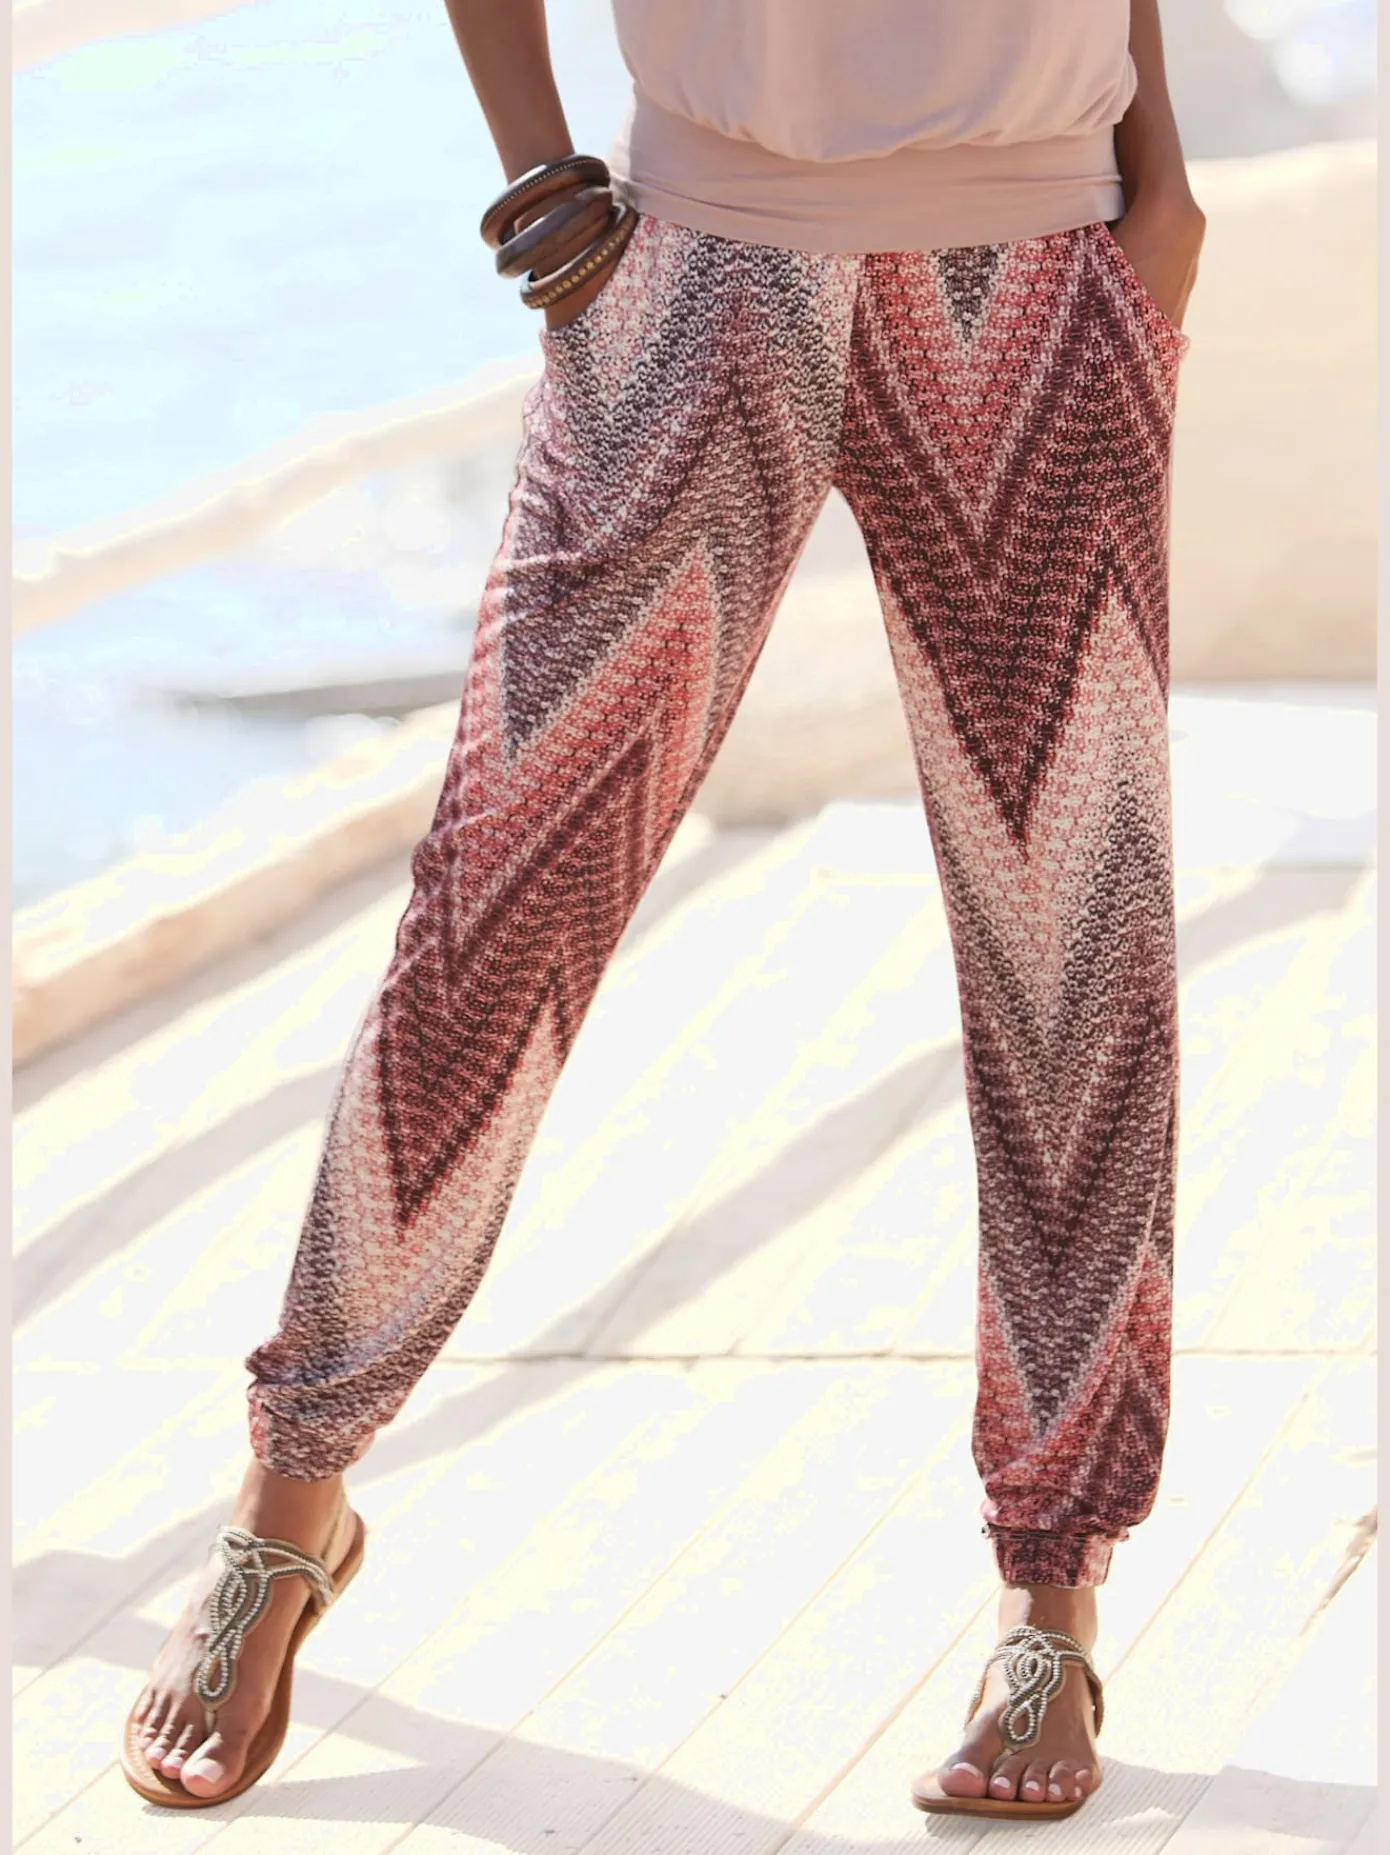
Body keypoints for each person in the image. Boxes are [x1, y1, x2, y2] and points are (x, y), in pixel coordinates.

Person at [121, 0, 1205, 1824]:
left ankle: (1053, 1594)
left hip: (1044, 264)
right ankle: (288, 1503)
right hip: (699, 267)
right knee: (495, 904)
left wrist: (1160, 189)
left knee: (1068, 949)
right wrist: (542, 188)